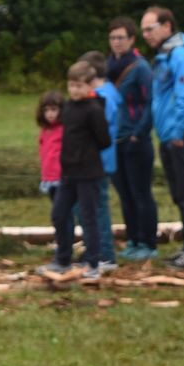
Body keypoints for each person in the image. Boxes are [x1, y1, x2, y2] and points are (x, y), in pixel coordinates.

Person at [140, 6, 184, 269]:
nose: (146, 34)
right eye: (143, 29)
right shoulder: (166, 54)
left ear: (167, 26)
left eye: (150, 28)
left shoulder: (182, 54)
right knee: (180, 193)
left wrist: (178, 133)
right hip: (170, 135)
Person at [36, 61, 111, 281]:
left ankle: (94, 263)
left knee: (88, 218)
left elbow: (104, 141)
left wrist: (85, 151)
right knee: (59, 214)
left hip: (88, 174)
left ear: (89, 86)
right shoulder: (68, 107)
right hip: (67, 174)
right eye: (71, 85)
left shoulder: (95, 110)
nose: (74, 90)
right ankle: (63, 259)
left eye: (79, 85)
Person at [105, 17, 157, 261]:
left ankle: (148, 242)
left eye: (121, 38)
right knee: (124, 194)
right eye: (113, 38)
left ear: (131, 39)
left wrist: (139, 133)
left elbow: (150, 103)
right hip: (114, 140)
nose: (116, 42)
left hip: (135, 139)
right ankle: (133, 239)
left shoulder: (140, 68)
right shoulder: (107, 67)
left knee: (140, 193)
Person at [77, 50, 120, 271]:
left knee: (97, 209)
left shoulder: (103, 98)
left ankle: (105, 255)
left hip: (98, 163)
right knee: (90, 208)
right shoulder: (104, 94)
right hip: (95, 162)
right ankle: (94, 250)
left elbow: (99, 133)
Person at [36, 90, 64, 198]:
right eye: (46, 110)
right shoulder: (45, 130)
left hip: (62, 177)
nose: (50, 114)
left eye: (53, 110)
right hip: (48, 175)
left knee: (62, 211)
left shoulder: (64, 129)